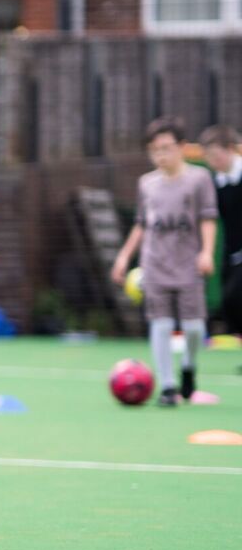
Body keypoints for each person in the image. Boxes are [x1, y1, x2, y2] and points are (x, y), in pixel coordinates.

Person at [112, 117, 218, 406]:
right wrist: (124, 257)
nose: (161, 155)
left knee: (194, 326)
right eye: (155, 150)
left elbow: (207, 219)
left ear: (182, 147)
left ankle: (188, 366)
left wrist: (206, 252)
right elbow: (141, 225)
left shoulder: (199, 179)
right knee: (160, 322)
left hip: (188, 263)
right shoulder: (147, 184)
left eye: (167, 148)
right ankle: (168, 387)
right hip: (155, 263)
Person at [201, 125, 242, 344]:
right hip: (231, 250)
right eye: (208, 157)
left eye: (216, 156)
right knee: (228, 303)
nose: (212, 162)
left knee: (233, 297)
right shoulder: (215, 182)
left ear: (230, 150)